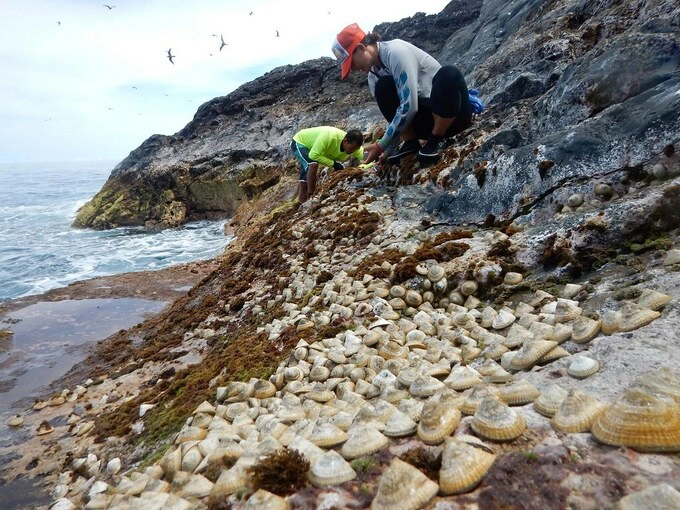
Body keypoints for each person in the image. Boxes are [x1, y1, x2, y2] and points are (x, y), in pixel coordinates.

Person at [332, 23, 475, 166]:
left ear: (362, 48)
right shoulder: (373, 77)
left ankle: (435, 141)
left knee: (449, 73)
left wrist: (380, 145)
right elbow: (393, 116)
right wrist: (388, 151)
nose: (353, 70)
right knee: (383, 87)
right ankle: (410, 143)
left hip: (452, 116)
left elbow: (409, 106)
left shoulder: (395, 52)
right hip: (425, 125)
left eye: (352, 63)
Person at [291, 126, 364, 202]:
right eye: (351, 148)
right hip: (300, 142)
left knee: (304, 180)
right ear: (345, 141)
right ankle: (312, 196)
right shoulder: (329, 136)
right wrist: (334, 164)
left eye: (356, 149)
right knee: (312, 164)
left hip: (315, 148)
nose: (353, 151)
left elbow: (366, 160)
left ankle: (302, 204)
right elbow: (313, 155)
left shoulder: (356, 148)